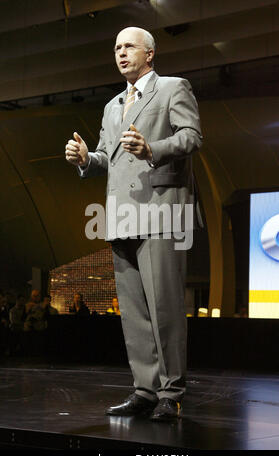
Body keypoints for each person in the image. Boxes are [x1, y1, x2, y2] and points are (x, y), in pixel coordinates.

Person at [65, 27, 202, 421]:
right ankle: (145, 389)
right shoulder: (112, 106)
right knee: (135, 311)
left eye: (128, 47)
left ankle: (170, 393)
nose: (121, 53)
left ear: (150, 54)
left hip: (161, 212)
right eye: (116, 48)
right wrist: (85, 158)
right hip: (123, 216)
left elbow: (192, 136)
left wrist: (152, 149)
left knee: (165, 308)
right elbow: (108, 157)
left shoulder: (174, 88)